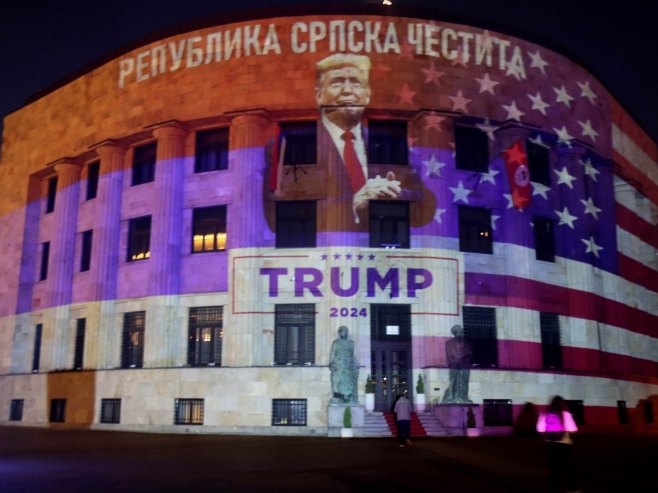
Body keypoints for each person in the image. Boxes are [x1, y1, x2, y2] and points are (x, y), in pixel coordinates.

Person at [536, 395, 581, 493]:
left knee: (554, 469)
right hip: (565, 444)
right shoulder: (565, 413)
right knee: (568, 468)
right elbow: (574, 429)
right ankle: (571, 489)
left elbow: (539, 429)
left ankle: (555, 489)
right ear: (562, 403)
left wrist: (548, 436)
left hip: (550, 445)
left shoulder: (544, 414)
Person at [441, 324, 473, 404]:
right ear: (455, 332)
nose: (461, 332)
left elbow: (470, 353)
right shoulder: (449, 343)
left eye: (461, 330)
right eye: (459, 331)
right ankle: (452, 396)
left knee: (464, 381)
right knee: (454, 381)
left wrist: (464, 359)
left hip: (464, 365)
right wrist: (456, 361)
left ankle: (463, 396)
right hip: (454, 365)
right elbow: (449, 355)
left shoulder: (467, 342)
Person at [329, 326, 359, 404]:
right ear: (339, 333)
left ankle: (349, 397)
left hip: (348, 366)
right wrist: (331, 364)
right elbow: (332, 355)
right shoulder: (336, 343)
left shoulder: (351, 343)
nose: (343, 333)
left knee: (349, 382)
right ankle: (337, 397)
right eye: (342, 331)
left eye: (345, 331)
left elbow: (352, 356)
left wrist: (355, 365)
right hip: (339, 366)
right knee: (336, 381)